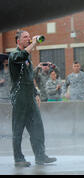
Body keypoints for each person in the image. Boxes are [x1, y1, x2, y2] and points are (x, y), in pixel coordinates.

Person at [8, 30, 56, 167]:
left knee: (37, 128)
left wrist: (36, 93)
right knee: (18, 129)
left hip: (29, 96)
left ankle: (40, 156)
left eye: (29, 37)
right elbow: (21, 56)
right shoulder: (14, 54)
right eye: (25, 37)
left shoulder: (28, 57)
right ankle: (19, 159)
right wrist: (34, 43)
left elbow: (29, 78)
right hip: (19, 96)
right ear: (18, 41)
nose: (28, 39)